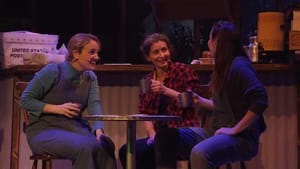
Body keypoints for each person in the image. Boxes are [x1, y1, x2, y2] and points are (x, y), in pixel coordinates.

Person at [20, 33, 117, 169]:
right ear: (76, 53)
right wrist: (57, 108)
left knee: (105, 146)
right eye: (92, 52)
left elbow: (95, 105)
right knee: (85, 147)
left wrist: (98, 129)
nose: (97, 57)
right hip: (45, 130)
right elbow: (25, 100)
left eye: (97, 52)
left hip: (75, 128)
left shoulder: (90, 77)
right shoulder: (53, 71)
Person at [118, 33, 205, 169]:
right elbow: (145, 112)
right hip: (159, 135)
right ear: (148, 57)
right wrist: (152, 135)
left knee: (163, 140)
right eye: (156, 52)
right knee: (127, 150)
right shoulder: (147, 81)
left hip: (183, 130)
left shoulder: (183, 71)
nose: (162, 55)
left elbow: (191, 101)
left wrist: (166, 90)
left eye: (164, 50)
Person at [190, 20, 268, 169]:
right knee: (168, 137)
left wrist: (235, 129)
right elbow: (223, 106)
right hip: (215, 131)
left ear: (217, 42)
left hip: (241, 138)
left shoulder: (239, 66)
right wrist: (199, 100)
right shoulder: (224, 67)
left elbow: (260, 99)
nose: (208, 43)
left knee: (200, 153)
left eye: (209, 38)